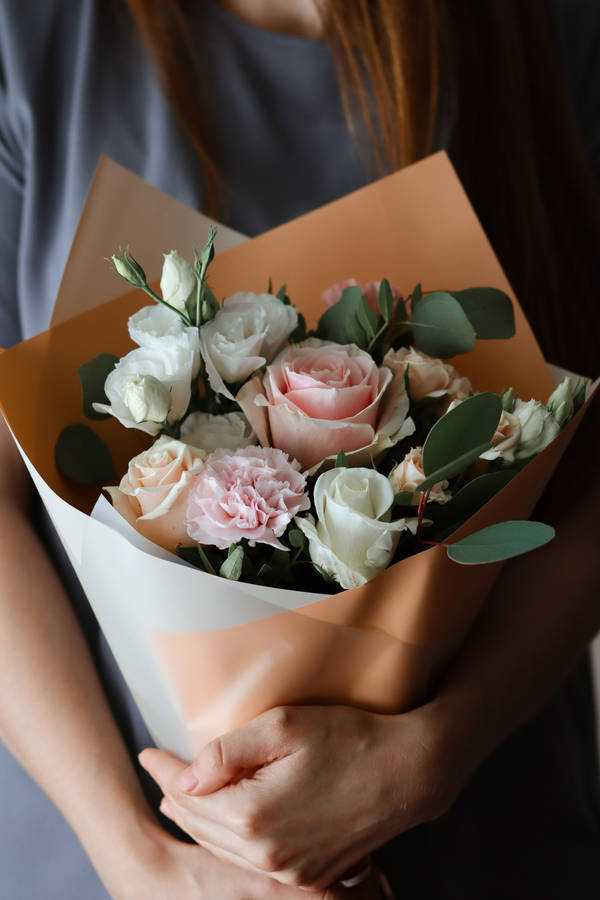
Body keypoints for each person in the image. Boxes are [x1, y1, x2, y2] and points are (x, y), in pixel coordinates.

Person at [0, 1, 599, 898]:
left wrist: (435, 752)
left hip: (483, 819)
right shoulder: (33, 34)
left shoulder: (548, 29)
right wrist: (138, 857)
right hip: (110, 831)